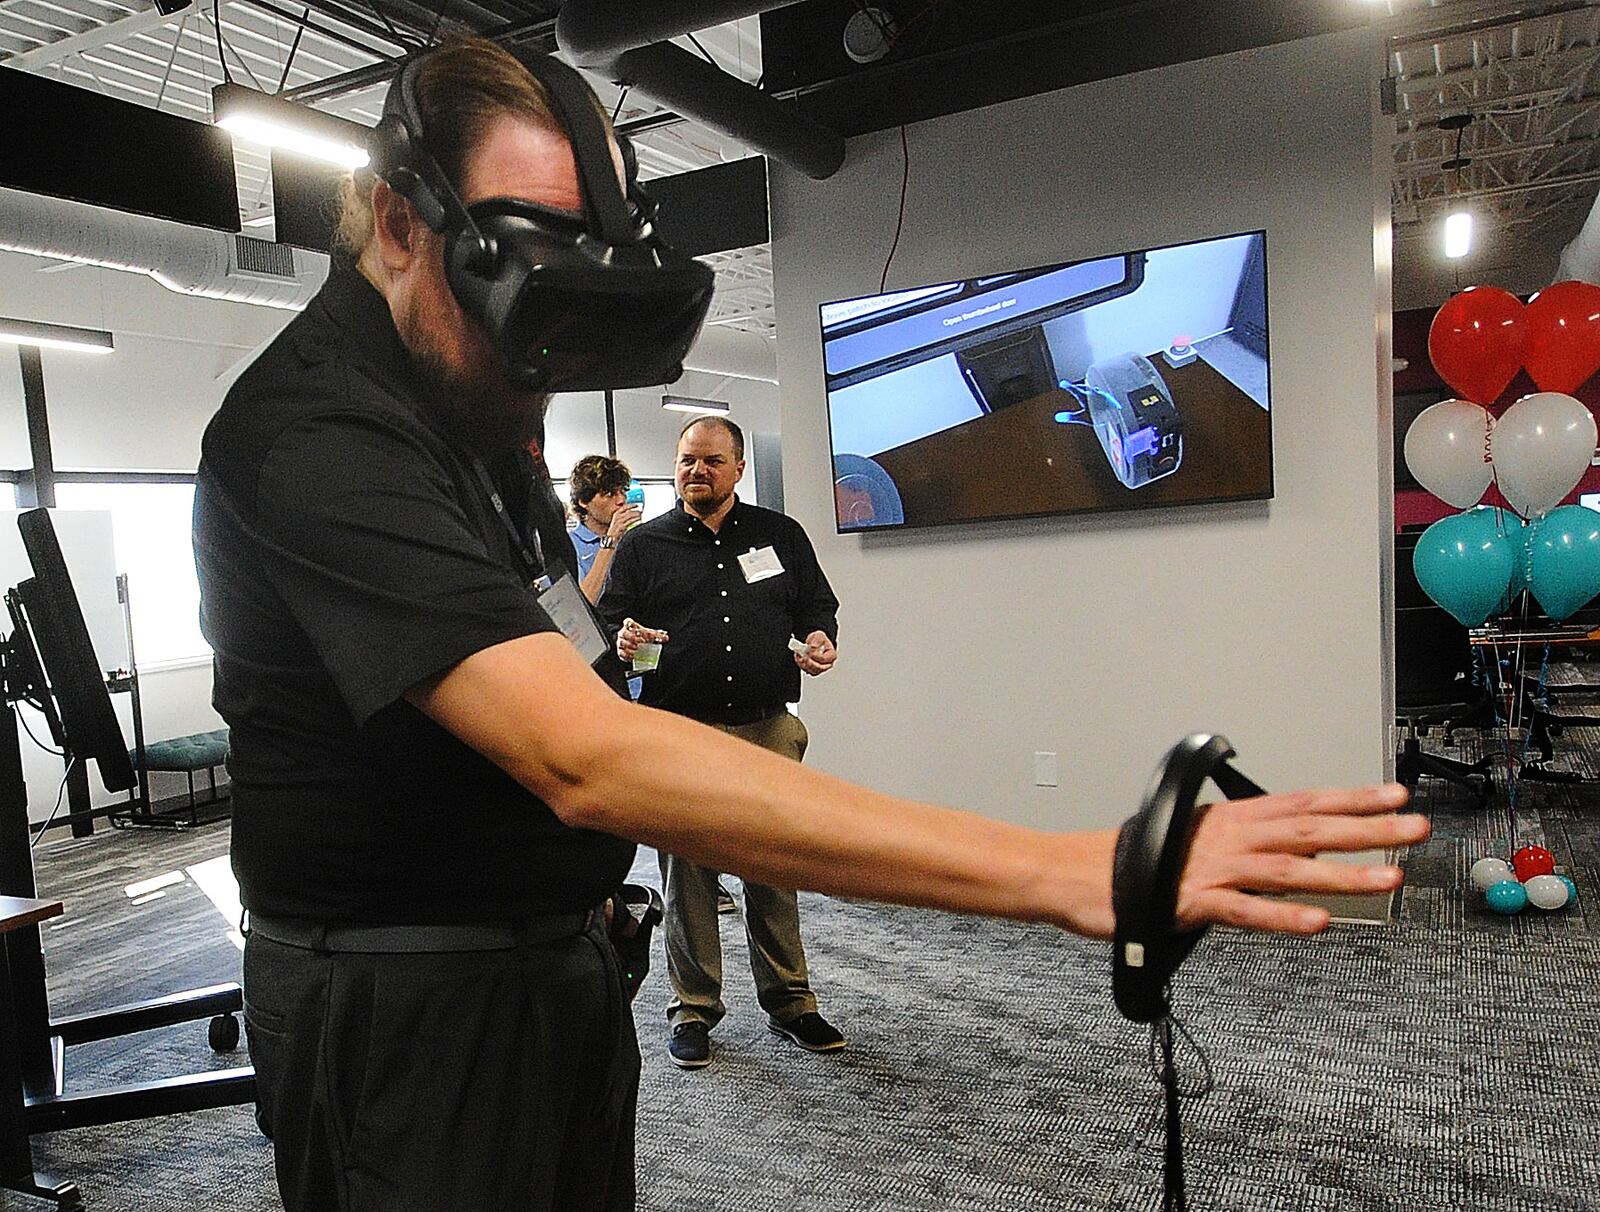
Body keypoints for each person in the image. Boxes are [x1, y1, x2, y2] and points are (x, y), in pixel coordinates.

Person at [191, 34, 1427, 1212]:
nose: (539, 361)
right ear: (399, 223)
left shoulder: (474, 405)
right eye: (511, 285)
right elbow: (579, 753)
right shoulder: (317, 433)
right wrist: (1063, 869)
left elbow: (566, 656)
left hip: (545, 963)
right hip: (402, 996)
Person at [598, 416, 844, 1069]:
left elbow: (817, 605)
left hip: (767, 725)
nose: (694, 472)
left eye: (710, 461)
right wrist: (625, 641)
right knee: (691, 880)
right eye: (685, 461)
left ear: (737, 468)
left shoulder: (779, 535)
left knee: (772, 869)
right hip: (682, 731)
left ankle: (792, 1004)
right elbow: (609, 625)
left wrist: (820, 638)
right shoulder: (644, 547)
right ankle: (693, 1011)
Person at [568, 453, 642, 604]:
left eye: (622, 491)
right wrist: (610, 541)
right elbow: (582, 605)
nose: (621, 500)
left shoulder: (632, 541)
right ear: (583, 501)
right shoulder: (570, 544)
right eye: (609, 494)